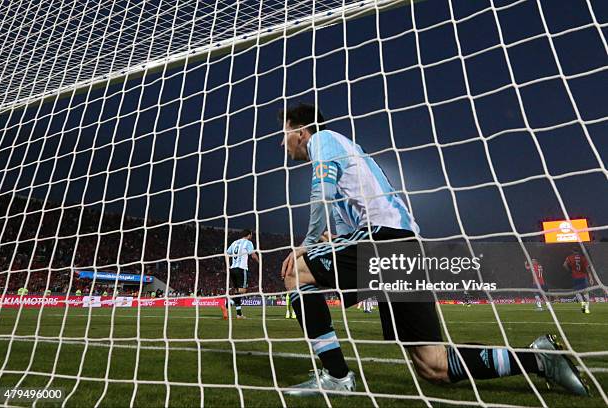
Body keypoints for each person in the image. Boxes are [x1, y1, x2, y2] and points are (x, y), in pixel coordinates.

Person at [278, 103, 589, 397]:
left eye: (285, 133)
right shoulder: (346, 168)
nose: (283, 143)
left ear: (302, 131)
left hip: (384, 240)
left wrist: (305, 244)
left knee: (296, 272)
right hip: (401, 246)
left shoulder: (323, 139)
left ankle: (337, 377)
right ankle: (540, 359)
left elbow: (320, 194)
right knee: (434, 365)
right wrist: (330, 242)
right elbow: (345, 232)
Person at [226, 229, 259, 319]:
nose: (251, 237)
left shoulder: (234, 242)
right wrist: (259, 262)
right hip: (241, 269)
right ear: (249, 235)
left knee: (237, 291)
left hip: (232, 269)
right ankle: (229, 303)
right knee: (242, 291)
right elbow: (253, 255)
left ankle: (239, 314)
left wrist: (228, 265)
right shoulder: (248, 243)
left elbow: (227, 253)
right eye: (251, 235)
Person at [563, 248, 592, 314]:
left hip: (575, 277)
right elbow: (587, 268)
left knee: (577, 292)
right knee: (585, 292)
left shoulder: (569, 257)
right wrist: (590, 278)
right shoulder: (583, 258)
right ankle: (587, 307)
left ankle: (583, 307)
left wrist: (569, 271)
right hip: (583, 276)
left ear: (572, 251)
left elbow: (564, 265)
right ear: (578, 252)